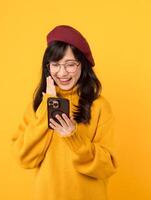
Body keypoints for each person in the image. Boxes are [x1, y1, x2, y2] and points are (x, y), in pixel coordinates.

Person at [11, 25, 118, 200]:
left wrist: (74, 137)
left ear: (82, 65)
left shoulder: (99, 106)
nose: (62, 73)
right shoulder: (37, 105)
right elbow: (24, 158)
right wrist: (47, 108)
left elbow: (107, 167)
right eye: (56, 65)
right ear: (48, 67)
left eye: (70, 65)